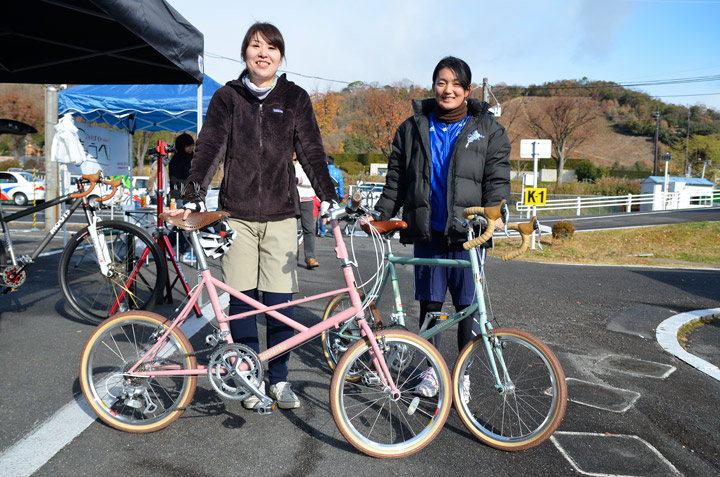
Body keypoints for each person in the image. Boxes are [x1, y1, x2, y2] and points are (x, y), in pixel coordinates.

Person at [174, 22, 338, 410]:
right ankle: (249, 378)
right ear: (244, 53)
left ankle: (280, 380)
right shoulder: (227, 97)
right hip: (238, 216)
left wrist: (328, 195)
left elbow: (311, 151)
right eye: (255, 46)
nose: (263, 53)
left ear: (281, 56)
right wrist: (195, 193)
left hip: (282, 215)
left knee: (280, 304)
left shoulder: (295, 97)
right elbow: (210, 147)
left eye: (271, 48)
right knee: (244, 303)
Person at [372, 56, 511, 400]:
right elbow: (396, 180)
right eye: (441, 82)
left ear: (467, 90)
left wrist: (494, 210)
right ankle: (432, 372)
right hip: (428, 232)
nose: (447, 90)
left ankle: (462, 376)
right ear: (433, 85)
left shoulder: (488, 128)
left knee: (467, 308)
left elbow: (497, 177)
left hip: (470, 234)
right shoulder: (412, 127)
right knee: (431, 307)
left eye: (455, 84)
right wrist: (381, 214)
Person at [169, 133, 194, 259]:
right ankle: (183, 249)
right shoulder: (177, 160)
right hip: (178, 195)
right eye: (188, 146)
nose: (191, 148)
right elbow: (174, 180)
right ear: (182, 146)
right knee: (183, 223)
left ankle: (170, 244)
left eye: (191, 146)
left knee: (181, 223)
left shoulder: (187, 158)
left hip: (186, 195)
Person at [294, 155, 319, 268]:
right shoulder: (283, 160)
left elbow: (313, 179)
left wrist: (298, 180)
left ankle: (310, 257)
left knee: (309, 229)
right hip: (289, 200)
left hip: (306, 200)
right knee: (289, 231)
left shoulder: (307, 163)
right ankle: (292, 259)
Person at [317, 155, 344, 237]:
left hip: (324, 194)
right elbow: (341, 185)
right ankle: (334, 231)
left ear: (327, 162)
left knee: (324, 213)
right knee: (335, 213)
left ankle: (322, 232)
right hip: (334, 195)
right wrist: (341, 196)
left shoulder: (322, 171)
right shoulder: (338, 172)